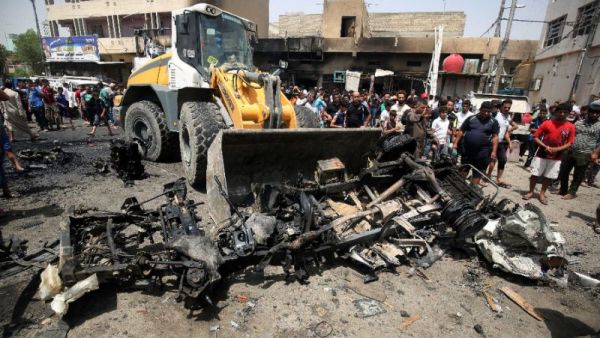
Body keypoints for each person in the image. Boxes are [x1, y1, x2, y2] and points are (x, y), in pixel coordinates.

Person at [522, 103, 576, 205]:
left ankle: (542, 194)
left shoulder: (571, 126)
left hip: (557, 156)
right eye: (560, 112)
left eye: (565, 112)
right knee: (535, 174)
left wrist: (557, 149)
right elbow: (536, 136)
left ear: (569, 113)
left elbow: (570, 142)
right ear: (556, 112)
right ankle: (530, 192)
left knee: (549, 176)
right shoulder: (547, 123)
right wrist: (545, 146)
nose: (562, 114)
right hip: (542, 153)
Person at [556, 100, 600, 199]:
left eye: (597, 113)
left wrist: (596, 153)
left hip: (585, 153)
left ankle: (572, 192)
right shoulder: (579, 122)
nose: (594, 114)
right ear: (588, 112)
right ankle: (563, 190)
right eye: (592, 112)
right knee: (563, 171)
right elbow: (571, 134)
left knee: (578, 174)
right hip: (571, 150)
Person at [453, 101, 499, 186]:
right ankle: (459, 188)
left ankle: (472, 190)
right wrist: (455, 143)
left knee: (477, 172)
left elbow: (495, 137)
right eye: (484, 111)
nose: (486, 113)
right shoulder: (471, 118)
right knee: (463, 170)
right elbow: (461, 131)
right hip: (467, 150)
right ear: (480, 109)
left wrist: (494, 151)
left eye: (488, 112)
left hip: (482, 152)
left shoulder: (493, 122)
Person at [486, 99, 518, 188]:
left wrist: (510, 143)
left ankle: (499, 178)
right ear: (501, 107)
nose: (507, 109)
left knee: (503, 159)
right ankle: (487, 175)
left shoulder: (507, 117)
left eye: (509, 107)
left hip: (501, 142)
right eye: (505, 107)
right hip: (491, 141)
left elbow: (506, 131)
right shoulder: (496, 114)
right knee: (491, 159)